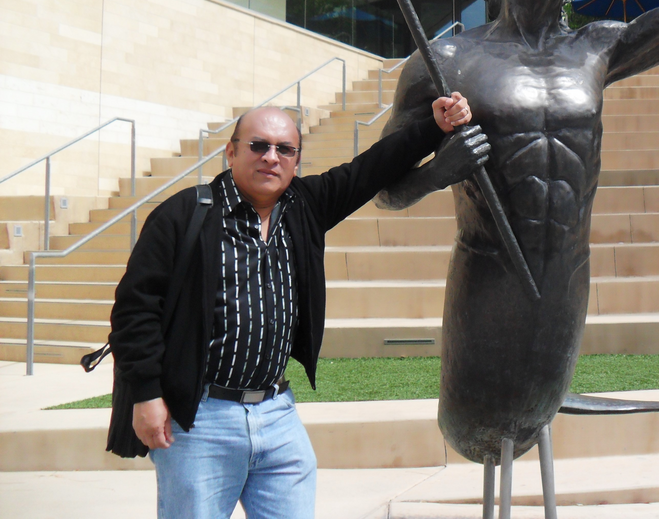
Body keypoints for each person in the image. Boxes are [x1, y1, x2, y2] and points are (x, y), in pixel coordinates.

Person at [374, 0, 659, 465]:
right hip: (490, 277)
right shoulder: (448, 59)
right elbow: (383, 190)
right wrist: (439, 170)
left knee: (536, 410)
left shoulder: (595, 46)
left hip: (567, 275)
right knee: (477, 426)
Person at [109, 94, 489, 519]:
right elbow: (134, 310)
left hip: (277, 414)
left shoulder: (304, 206)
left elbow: (369, 170)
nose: (271, 157)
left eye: (284, 149)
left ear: (296, 160)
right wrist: (146, 394)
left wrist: (434, 127)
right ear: (231, 152)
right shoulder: (184, 215)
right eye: (258, 146)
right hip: (201, 420)